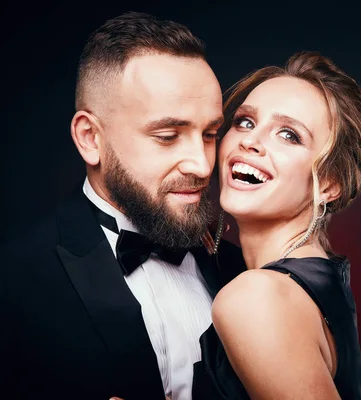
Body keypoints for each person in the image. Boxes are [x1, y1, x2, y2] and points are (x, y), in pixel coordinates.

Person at [0, 12, 244, 400]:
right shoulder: (12, 281)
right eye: (167, 136)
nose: (202, 165)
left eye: (211, 134)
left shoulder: (243, 271)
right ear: (90, 138)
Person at [192, 51, 361, 399]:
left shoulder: (257, 297)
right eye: (245, 122)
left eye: (289, 135)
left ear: (329, 183)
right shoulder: (323, 280)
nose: (249, 141)